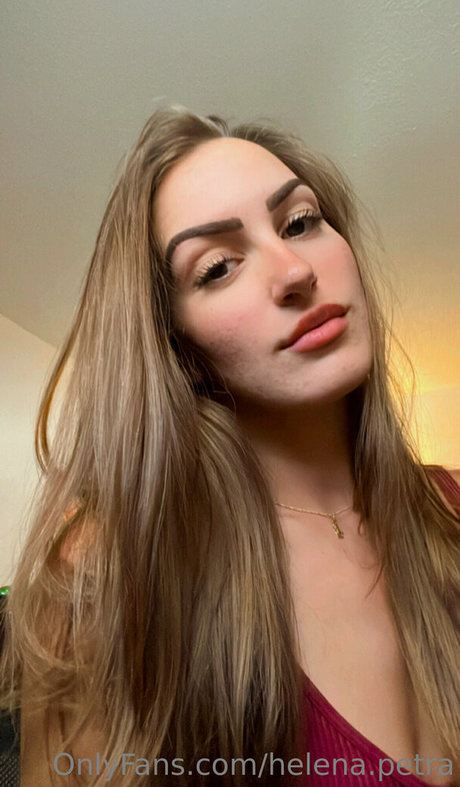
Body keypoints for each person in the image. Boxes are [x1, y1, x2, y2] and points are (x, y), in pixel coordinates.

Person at [0, 106, 459, 787]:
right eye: (217, 267)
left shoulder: (448, 507)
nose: (294, 269)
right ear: (179, 349)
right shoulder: (111, 575)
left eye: (300, 222)